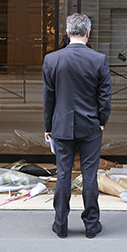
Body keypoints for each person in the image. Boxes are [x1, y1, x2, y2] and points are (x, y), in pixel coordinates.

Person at [42, 13, 112, 239]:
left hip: (61, 125)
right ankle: (91, 225)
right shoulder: (98, 59)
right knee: (89, 175)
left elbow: (48, 98)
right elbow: (105, 97)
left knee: (63, 174)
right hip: (90, 126)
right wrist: (101, 122)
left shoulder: (52, 60)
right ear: (88, 33)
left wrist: (48, 126)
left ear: (67, 32)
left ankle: (60, 224)